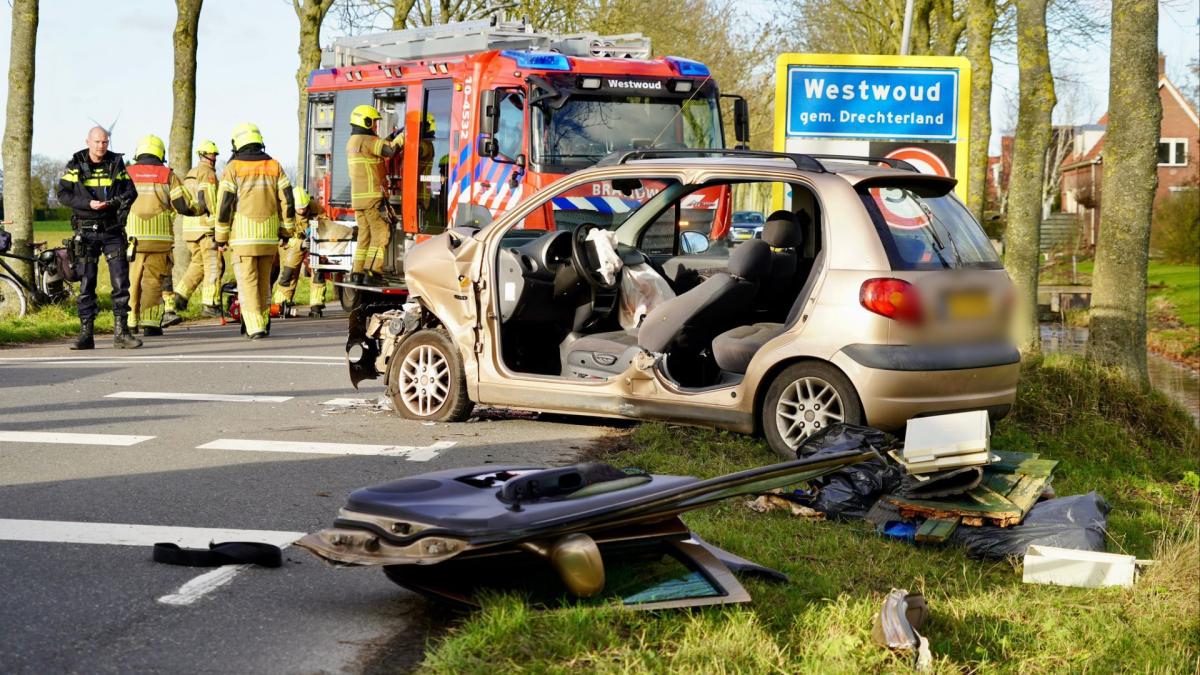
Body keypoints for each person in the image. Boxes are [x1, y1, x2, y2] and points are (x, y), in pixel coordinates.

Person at [56, 126, 142, 349]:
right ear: (88, 142)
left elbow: (131, 192)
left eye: (104, 142)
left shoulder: (116, 163)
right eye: (97, 142)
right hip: (86, 232)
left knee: (121, 283)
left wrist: (115, 203)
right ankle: (86, 335)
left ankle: (121, 334)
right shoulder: (76, 164)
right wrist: (88, 204)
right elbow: (62, 194)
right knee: (87, 283)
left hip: (112, 230)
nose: (101, 146)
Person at [215, 122, 294, 339]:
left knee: (248, 283)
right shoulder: (274, 166)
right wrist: (286, 231)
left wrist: (221, 237)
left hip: (243, 238)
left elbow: (224, 205)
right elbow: (287, 199)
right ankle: (264, 321)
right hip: (268, 238)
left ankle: (255, 326)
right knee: (264, 282)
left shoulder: (233, 168)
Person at [124, 134, 200, 336]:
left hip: (131, 239)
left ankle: (130, 321)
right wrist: (198, 210)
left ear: (138, 153)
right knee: (153, 282)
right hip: (159, 240)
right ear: (161, 153)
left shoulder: (127, 172)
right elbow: (182, 205)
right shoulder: (167, 175)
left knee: (131, 280)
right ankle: (150, 324)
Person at [346, 105, 401, 284]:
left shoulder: (353, 141)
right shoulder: (368, 139)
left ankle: (357, 272)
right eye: (374, 122)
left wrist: (392, 135)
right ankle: (373, 272)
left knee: (365, 235)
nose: (376, 126)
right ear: (366, 121)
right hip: (372, 198)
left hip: (359, 199)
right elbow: (390, 151)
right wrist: (403, 137)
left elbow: (379, 146)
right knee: (381, 233)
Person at [173, 140, 224, 317]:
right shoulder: (208, 173)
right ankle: (211, 304)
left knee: (198, 264)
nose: (214, 158)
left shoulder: (190, 173)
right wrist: (217, 225)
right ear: (204, 155)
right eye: (212, 154)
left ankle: (180, 296)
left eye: (215, 154)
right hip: (205, 228)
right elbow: (210, 200)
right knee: (214, 265)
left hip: (189, 229)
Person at [271, 187, 334, 316]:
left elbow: (326, 221)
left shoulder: (314, 206)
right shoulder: (286, 212)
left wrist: (317, 229)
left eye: (305, 207)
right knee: (289, 272)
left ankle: (316, 305)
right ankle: (282, 304)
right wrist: (300, 243)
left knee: (317, 269)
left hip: (314, 240)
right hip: (294, 242)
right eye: (299, 208)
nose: (303, 210)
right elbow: (283, 238)